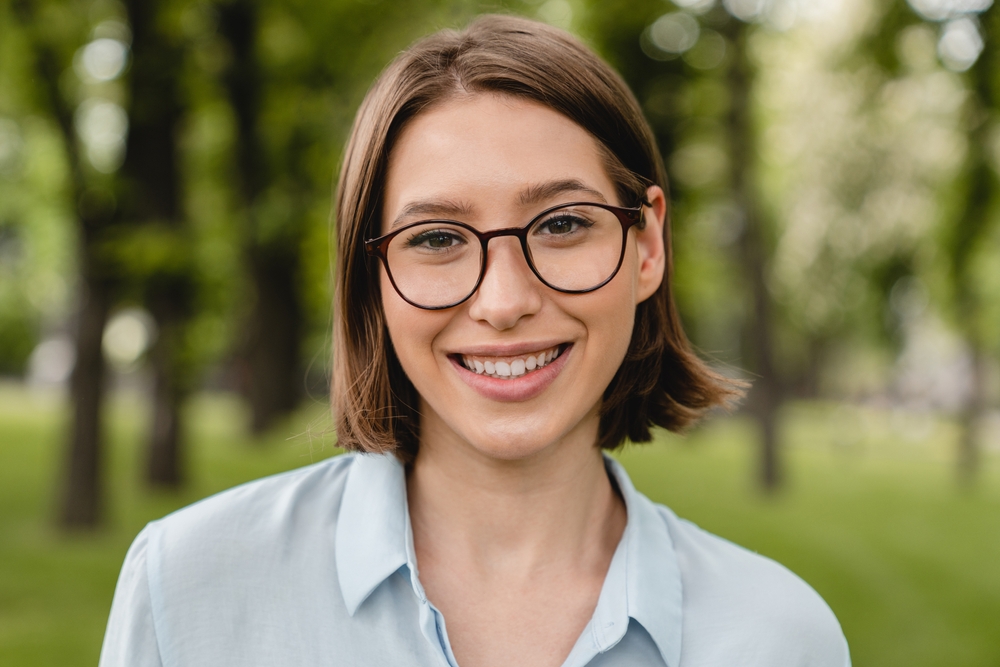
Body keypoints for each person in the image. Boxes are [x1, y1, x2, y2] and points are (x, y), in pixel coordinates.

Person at [99, 14, 850, 667]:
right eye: (436, 238)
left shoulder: (780, 638)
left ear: (647, 244)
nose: (504, 302)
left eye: (562, 224)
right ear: (371, 275)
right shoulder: (186, 589)